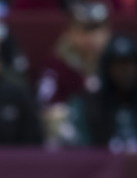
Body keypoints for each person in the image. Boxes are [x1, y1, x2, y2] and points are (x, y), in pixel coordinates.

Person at [65, 33, 137, 151]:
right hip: (100, 169)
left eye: (130, 65)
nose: (124, 72)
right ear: (106, 69)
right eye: (117, 65)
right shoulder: (85, 106)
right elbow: (77, 157)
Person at [36, 0, 112, 142]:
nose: (91, 37)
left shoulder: (118, 60)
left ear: (107, 30)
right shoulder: (56, 65)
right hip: (74, 137)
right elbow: (47, 107)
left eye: (96, 29)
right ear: (69, 32)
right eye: (84, 30)